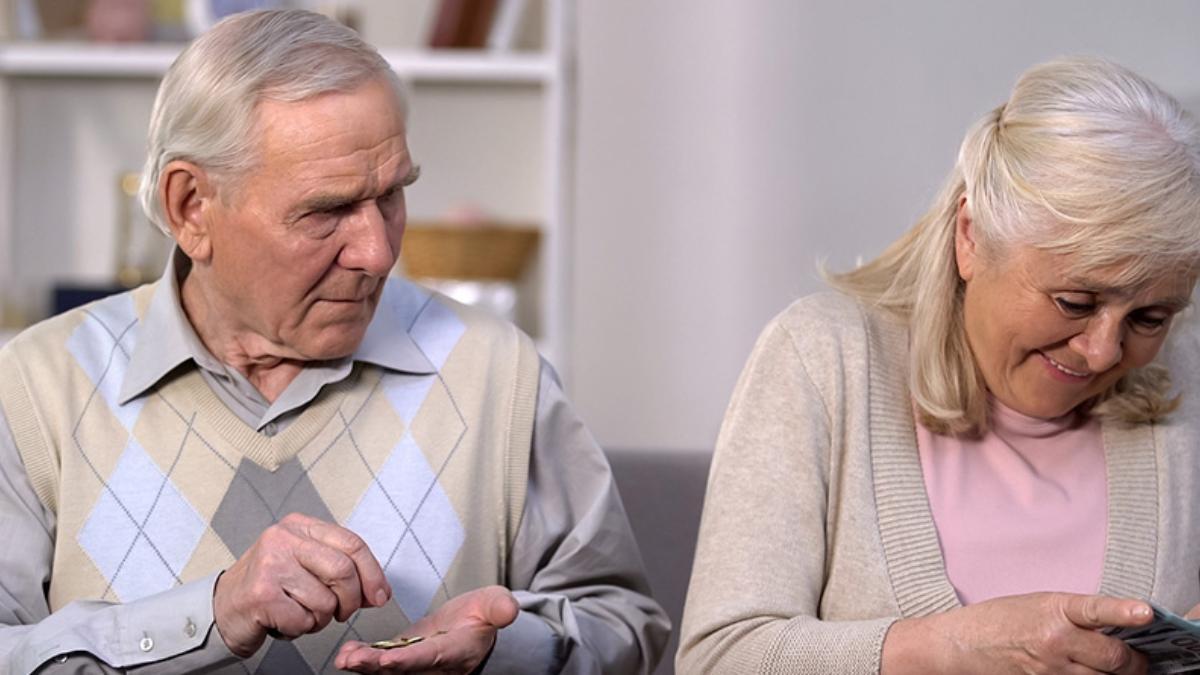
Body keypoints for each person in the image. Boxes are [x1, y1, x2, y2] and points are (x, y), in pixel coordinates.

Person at [0, 9, 668, 674]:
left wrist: (503, 648)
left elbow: (625, 622)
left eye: (392, 196)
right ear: (191, 207)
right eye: (327, 211)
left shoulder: (496, 371)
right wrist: (210, 615)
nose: (377, 252)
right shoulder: (36, 388)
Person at [678, 56, 1200, 674]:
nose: (1103, 351)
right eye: (1074, 302)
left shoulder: (1186, 386)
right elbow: (719, 659)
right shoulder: (825, 359)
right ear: (971, 237)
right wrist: (948, 649)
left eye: (1149, 318)